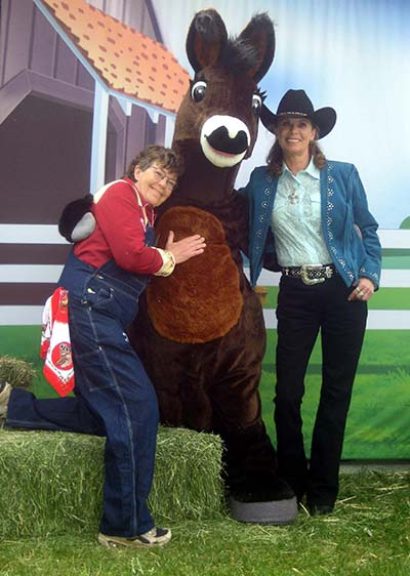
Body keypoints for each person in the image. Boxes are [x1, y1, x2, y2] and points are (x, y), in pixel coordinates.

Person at [0, 145, 206, 546]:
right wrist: (170, 256)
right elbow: (131, 256)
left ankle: (11, 404)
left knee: (103, 412)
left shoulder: (145, 211)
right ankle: (124, 526)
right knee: (138, 406)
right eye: (157, 174)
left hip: (98, 311)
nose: (163, 184)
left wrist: (160, 254)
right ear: (137, 170)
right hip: (90, 307)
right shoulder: (120, 195)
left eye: (170, 181)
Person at [240, 89, 381, 515]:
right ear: (276, 132)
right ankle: (291, 483)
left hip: (343, 292)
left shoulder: (342, 174)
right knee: (287, 393)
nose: (294, 130)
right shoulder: (261, 183)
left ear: (315, 132)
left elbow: (368, 230)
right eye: (286, 123)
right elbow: (244, 230)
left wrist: (369, 275)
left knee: (336, 393)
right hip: (296, 292)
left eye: (302, 123)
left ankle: (322, 492)